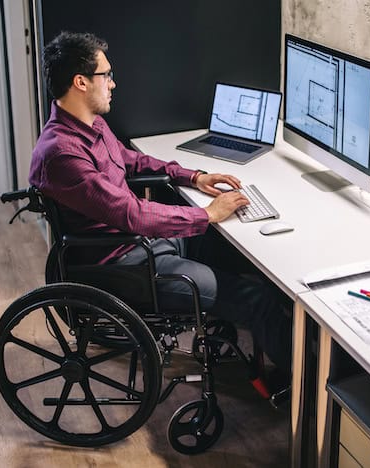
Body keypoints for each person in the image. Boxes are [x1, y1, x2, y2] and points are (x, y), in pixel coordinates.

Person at [29, 31, 292, 375]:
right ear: (80, 82)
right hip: (124, 266)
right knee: (260, 301)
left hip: (143, 246)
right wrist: (205, 214)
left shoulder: (89, 125)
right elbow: (131, 213)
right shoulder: (62, 153)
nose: (112, 83)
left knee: (249, 256)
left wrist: (193, 176)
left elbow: (131, 161)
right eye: (105, 75)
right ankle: (306, 392)